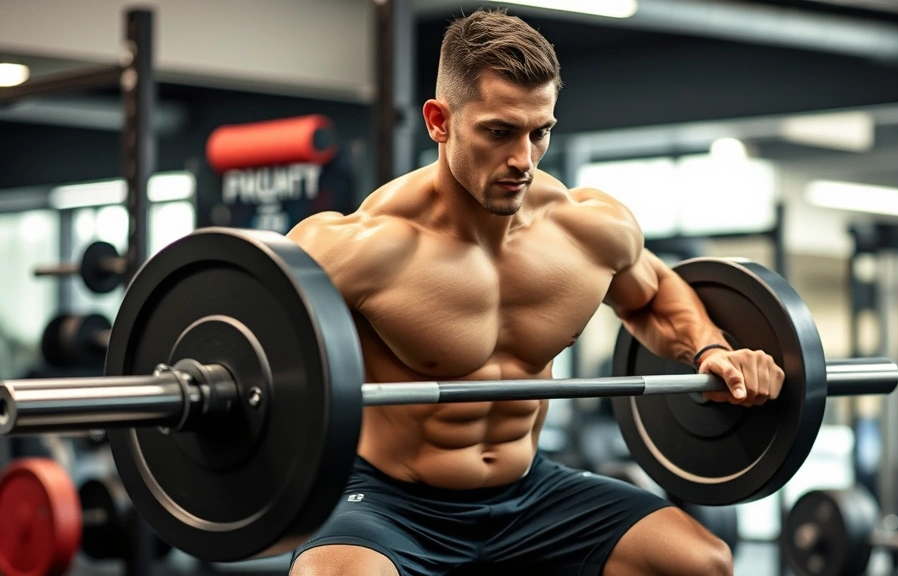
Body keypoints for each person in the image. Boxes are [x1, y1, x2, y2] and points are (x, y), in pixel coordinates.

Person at [287, 8, 783, 576]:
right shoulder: (358, 247)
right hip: (392, 499)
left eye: (539, 132)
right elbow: (257, 347)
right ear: (438, 121)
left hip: (531, 492)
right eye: (499, 131)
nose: (523, 159)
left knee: (701, 561)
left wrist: (712, 351)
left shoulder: (586, 230)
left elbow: (651, 296)